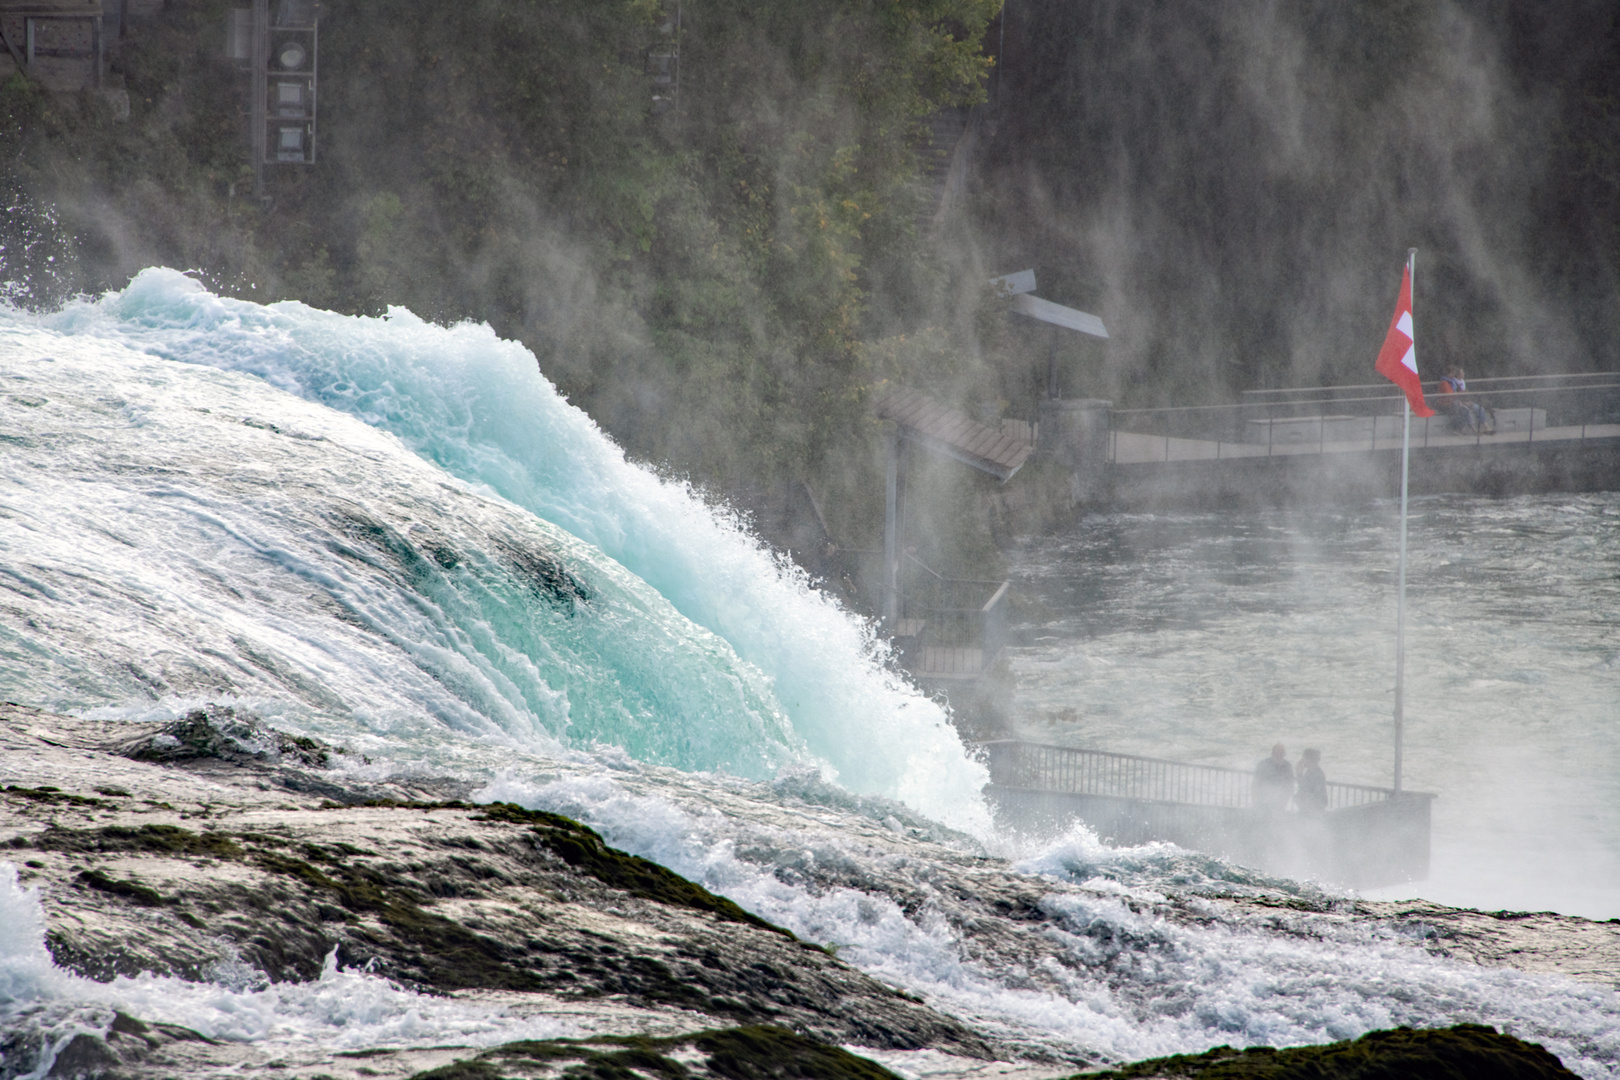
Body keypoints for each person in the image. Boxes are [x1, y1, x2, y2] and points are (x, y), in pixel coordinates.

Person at [1436, 366, 1493, 434]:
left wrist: (1466, 400)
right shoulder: (1445, 383)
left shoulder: (1454, 382)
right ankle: (1473, 429)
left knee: (1479, 408)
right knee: (1465, 410)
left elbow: (1459, 394)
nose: (1453, 375)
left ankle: (1486, 426)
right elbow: (1450, 396)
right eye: (1452, 374)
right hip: (1450, 403)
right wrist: (1461, 400)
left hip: (1462, 401)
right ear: (1449, 374)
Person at [1252, 743, 1294, 812]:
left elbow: (1290, 785)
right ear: (1273, 753)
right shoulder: (1263, 764)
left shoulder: (1287, 766)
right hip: (1262, 800)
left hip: (1279, 801)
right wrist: (1255, 800)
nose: (1279, 755)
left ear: (1284, 754)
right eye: (1277, 753)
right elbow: (1255, 783)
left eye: (1281, 753)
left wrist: (1284, 803)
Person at [1295, 749, 1327, 814]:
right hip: (1309, 806)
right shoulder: (1310, 771)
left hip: (1314, 807)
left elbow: (1305, 789)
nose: (1302, 761)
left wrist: (1299, 774)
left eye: (1303, 759)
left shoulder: (1317, 773)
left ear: (1308, 760)